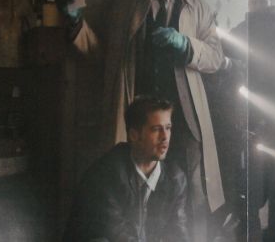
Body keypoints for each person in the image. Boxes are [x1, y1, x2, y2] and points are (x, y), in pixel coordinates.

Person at [60, 0, 225, 242]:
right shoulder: (126, 7)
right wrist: (76, 24)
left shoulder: (199, 8)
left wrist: (186, 45)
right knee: (133, 196)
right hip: (140, 123)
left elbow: (216, 57)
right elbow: (104, 56)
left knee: (188, 198)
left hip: (184, 123)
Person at [212, 0, 275, 242]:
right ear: (249, 5)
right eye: (254, 2)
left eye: (263, 1)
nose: (259, 6)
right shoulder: (243, 29)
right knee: (253, 186)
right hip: (252, 115)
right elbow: (224, 50)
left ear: (270, 2)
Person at [66, 96, 189, 242]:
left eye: (168, 128)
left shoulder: (176, 179)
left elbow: (178, 232)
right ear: (134, 135)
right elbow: (115, 234)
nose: (165, 137)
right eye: (156, 129)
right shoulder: (106, 174)